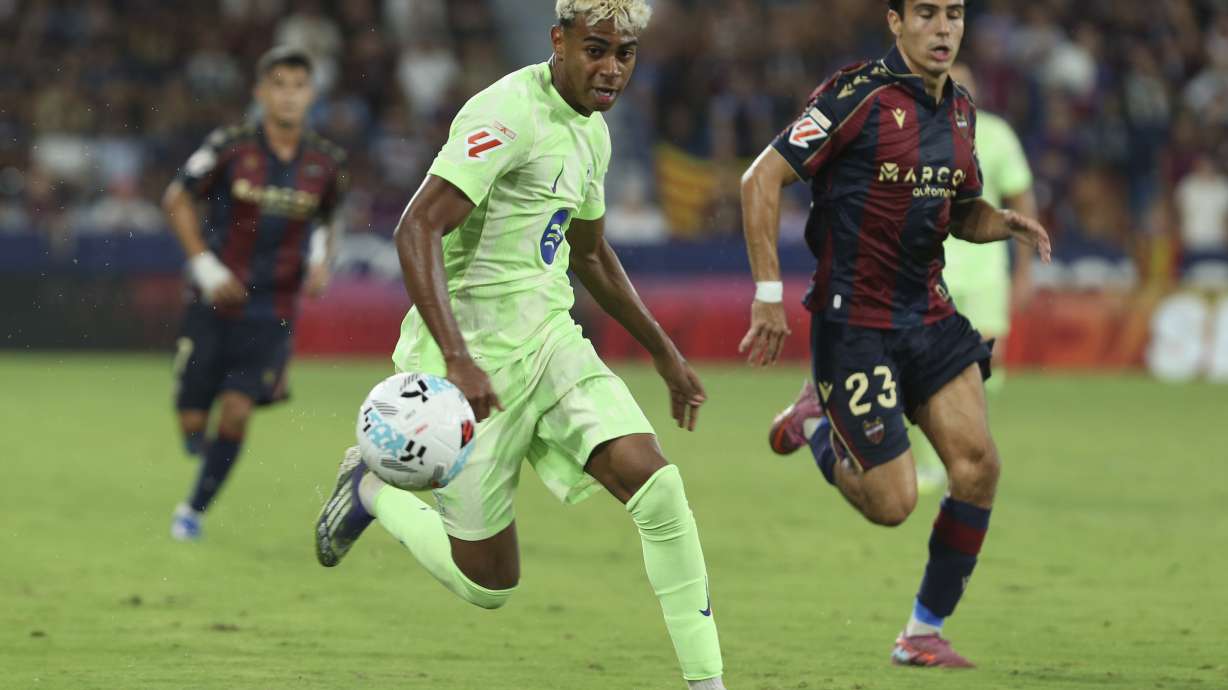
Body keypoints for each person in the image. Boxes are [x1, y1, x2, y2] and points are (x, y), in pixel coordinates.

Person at [313, 3, 726, 688]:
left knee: (660, 491)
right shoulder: (505, 115)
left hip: (549, 342)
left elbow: (590, 256)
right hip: (469, 368)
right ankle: (368, 491)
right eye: (596, 49)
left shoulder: (593, 133)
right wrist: (456, 358)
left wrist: (662, 350)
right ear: (558, 41)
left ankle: (706, 682)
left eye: (624, 54)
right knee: (490, 584)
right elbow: (415, 229)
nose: (611, 68)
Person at [740, 0, 1050, 668]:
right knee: (893, 504)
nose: (944, 28)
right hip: (854, 323)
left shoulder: (961, 111)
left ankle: (921, 633)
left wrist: (1002, 223)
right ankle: (817, 423)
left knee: (978, 465)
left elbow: (958, 210)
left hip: (928, 316)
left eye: (955, 15)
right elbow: (761, 177)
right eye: (928, 14)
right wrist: (768, 297)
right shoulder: (855, 96)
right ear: (895, 21)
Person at [165, 46, 347, 541]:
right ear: (260, 92)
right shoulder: (230, 146)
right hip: (215, 298)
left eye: (298, 85)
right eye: (279, 84)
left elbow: (329, 219)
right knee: (193, 419)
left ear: (311, 95)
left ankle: (193, 509)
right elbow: (177, 197)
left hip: (274, 308)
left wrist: (318, 262)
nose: (289, 96)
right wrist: (203, 265)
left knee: (239, 410)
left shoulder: (326, 163)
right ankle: (202, 443)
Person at [909, 61, 1038, 492]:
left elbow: (1021, 200)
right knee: (930, 368)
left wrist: (1025, 269)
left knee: (981, 371)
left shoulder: (998, 135)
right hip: (931, 269)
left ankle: (964, 458)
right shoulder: (917, 130)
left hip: (986, 275)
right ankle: (936, 464)